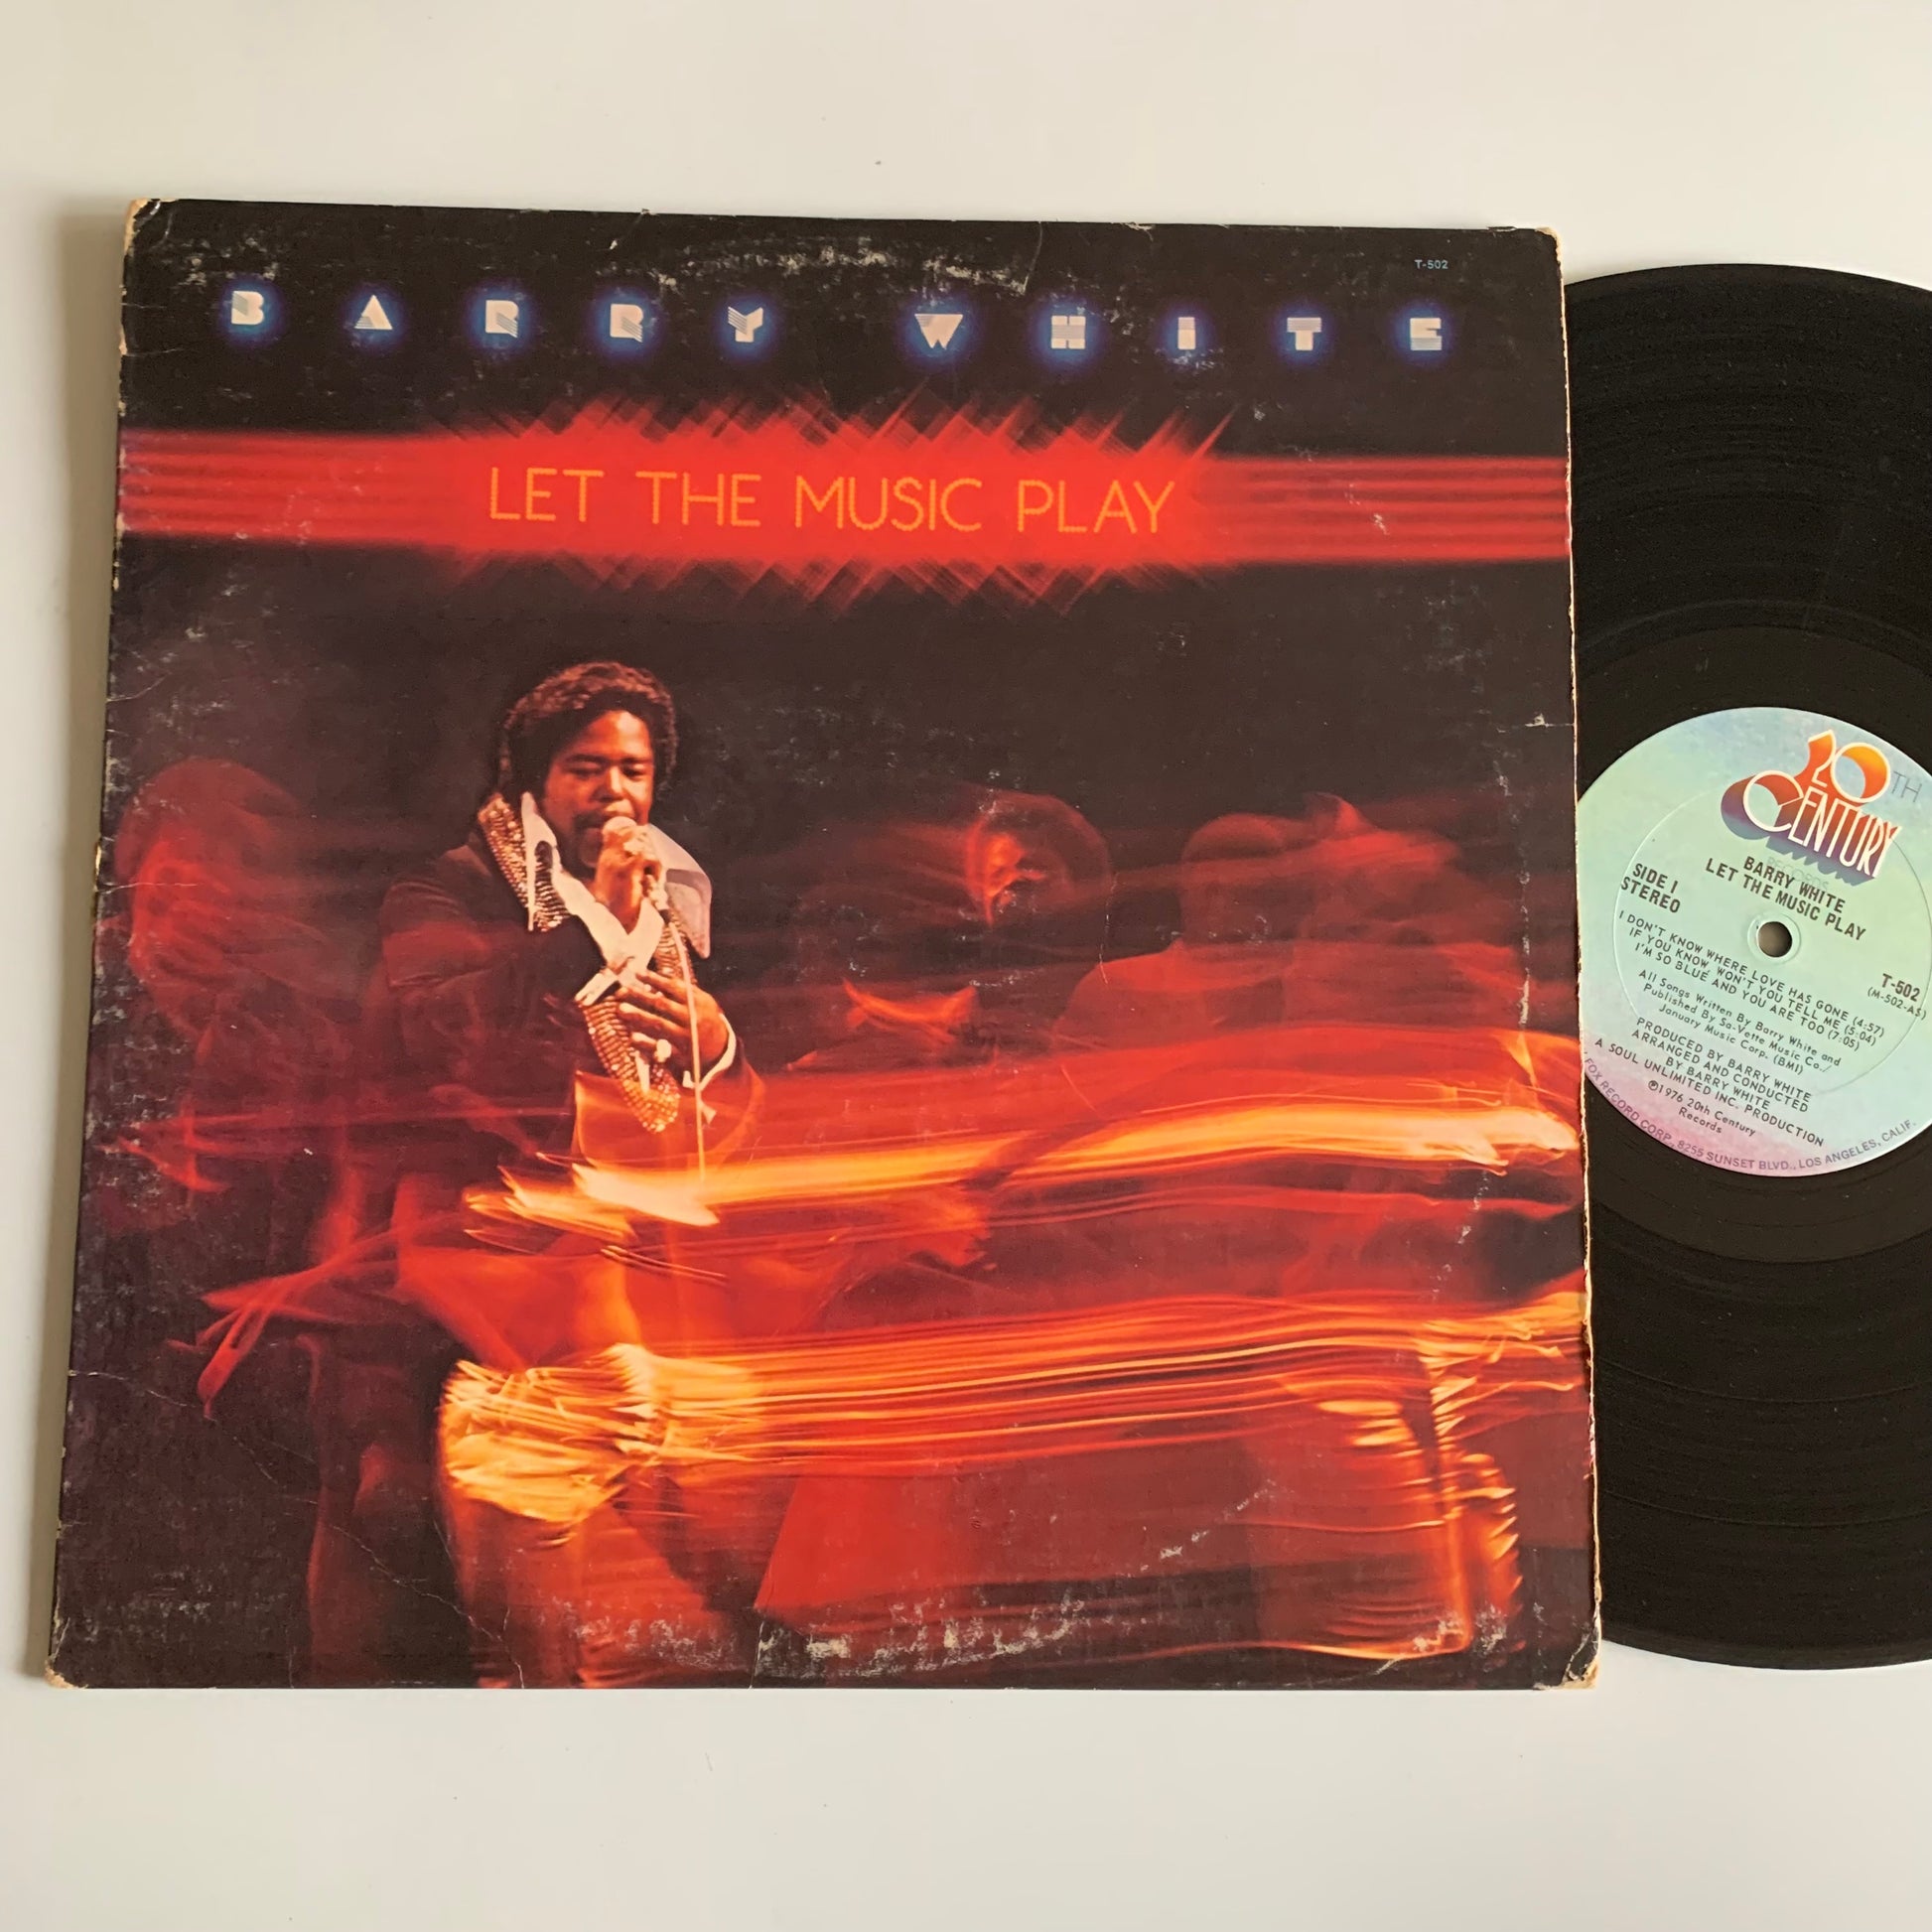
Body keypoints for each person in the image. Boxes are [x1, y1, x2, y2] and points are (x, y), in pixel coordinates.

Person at [369, 659, 758, 1684]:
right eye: (586, 768)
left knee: (663, 1640)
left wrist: (716, 1047)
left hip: (645, 1311)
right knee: (530, 1647)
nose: (614, 793)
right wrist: (592, 931)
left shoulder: (667, 918)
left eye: (634, 769)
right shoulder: (445, 890)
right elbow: (443, 1034)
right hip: (494, 1314)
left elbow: (710, 1130)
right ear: (534, 781)